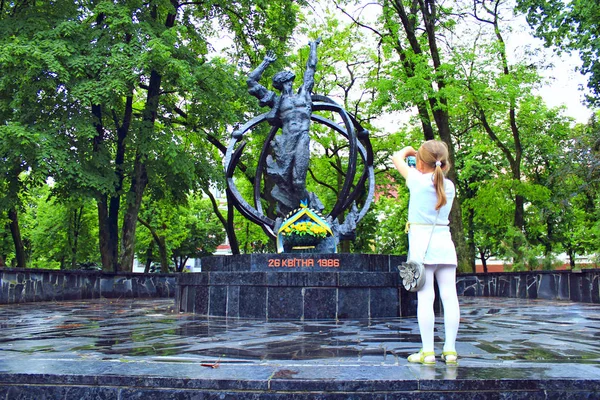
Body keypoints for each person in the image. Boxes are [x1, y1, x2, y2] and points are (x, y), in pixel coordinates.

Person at [391, 140, 460, 365]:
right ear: (445, 163)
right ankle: (450, 351)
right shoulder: (449, 186)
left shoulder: (417, 181)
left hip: (422, 247)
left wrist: (411, 150)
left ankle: (428, 352)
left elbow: (396, 157)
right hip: (445, 244)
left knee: (425, 298)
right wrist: (421, 157)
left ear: (420, 162)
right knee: (450, 298)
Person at [241, 39, 320, 216]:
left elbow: (311, 68)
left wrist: (313, 46)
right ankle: (296, 216)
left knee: (298, 182)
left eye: (290, 80)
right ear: (280, 84)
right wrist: (265, 63)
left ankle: (308, 214)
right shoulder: (277, 101)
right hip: (285, 145)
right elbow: (251, 81)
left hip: (301, 138)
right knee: (285, 184)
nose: (289, 84)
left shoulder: (304, 94)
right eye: (285, 82)